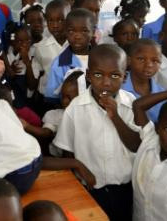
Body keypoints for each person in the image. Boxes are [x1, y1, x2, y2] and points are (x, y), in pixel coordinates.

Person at [53, 44, 138, 221]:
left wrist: (115, 117)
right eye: (99, 75)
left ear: (125, 77)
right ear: (89, 75)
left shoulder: (130, 104)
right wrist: (75, 182)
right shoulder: (75, 108)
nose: (106, 82)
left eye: (115, 75)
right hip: (90, 188)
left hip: (126, 188)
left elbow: (136, 144)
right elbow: (66, 150)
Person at [23, 70, 85, 156]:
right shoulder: (56, 115)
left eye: (69, 98)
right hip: (57, 158)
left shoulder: (89, 118)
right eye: (63, 96)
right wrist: (26, 126)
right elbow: (46, 133)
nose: (64, 101)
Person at [45, 8, 95, 100]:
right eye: (71, 31)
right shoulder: (59, 63)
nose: (77, 36)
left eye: (84, 31)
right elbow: (52, 97)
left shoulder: (100, 59)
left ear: (93, 32)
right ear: (65, 32)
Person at [121, 39, 165, 122]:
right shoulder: (119, 87)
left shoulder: (161, 93)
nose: (149, 65)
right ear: (129, 60)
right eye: (141, 59)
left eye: (155, 61)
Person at [3, 23, 42, 112]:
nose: (25, 45)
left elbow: (32, 86)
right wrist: (10, 70)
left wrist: (27, 63)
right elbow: (4, 81)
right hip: (10, 102)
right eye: (20, 41)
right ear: (12, 42)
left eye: (28, 40)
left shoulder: (34, 56)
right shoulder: (7, 57)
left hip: (27, 104)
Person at [34, 0, 69, 97]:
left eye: (60, 20)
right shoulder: (41, 47)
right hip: (48, 98)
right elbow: (38, 72)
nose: (55, 25)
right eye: (50, 20)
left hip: (72, 99)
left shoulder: (76, 45)